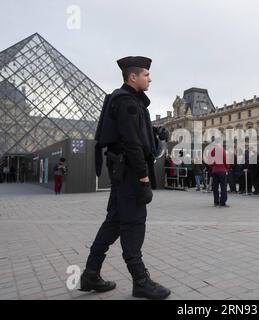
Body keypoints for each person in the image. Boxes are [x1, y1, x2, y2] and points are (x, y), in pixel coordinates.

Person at [83, 56, 171, 300]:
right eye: (146, 74)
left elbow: (131, 133)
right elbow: (132, 143)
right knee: (133, 225)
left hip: (121, 172)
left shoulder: (123, 101)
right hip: (131, 173)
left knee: (113, 223)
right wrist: (144, 177)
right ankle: (140, 281)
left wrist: (154, 132)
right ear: (133, 77)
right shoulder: (129, 103)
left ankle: (90, 273)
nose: (149, 78)